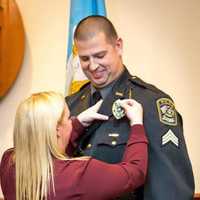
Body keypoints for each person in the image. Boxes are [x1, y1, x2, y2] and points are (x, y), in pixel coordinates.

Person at [65, 15, 195, 200]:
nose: (93, 66)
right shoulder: (70, 106)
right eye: (85, 58)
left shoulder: (150, 103)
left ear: (118, 46)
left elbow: (170, 189)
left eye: (100, 55)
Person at [0, 91, 148, 200]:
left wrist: (78, 123)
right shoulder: (79, 174)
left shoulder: (8, 161)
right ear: (57, 130)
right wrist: (137, 124)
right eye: (68, 118)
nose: (71, 120)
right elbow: (135, 172)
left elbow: (47, 152)